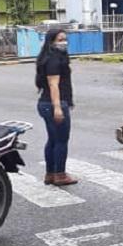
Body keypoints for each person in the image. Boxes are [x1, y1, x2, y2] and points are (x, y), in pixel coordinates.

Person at [35, 29, 78, 186]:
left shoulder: (49, 56)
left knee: (53, 140)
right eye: (60, 39)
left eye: (65, 39)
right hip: (53, 104)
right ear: (51, 41)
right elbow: (54, 84)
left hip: (46, 104)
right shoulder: (53, 59)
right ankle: (60, 174)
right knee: (61, 140)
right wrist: (58, 107)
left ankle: (50, 174)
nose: (64, 42)